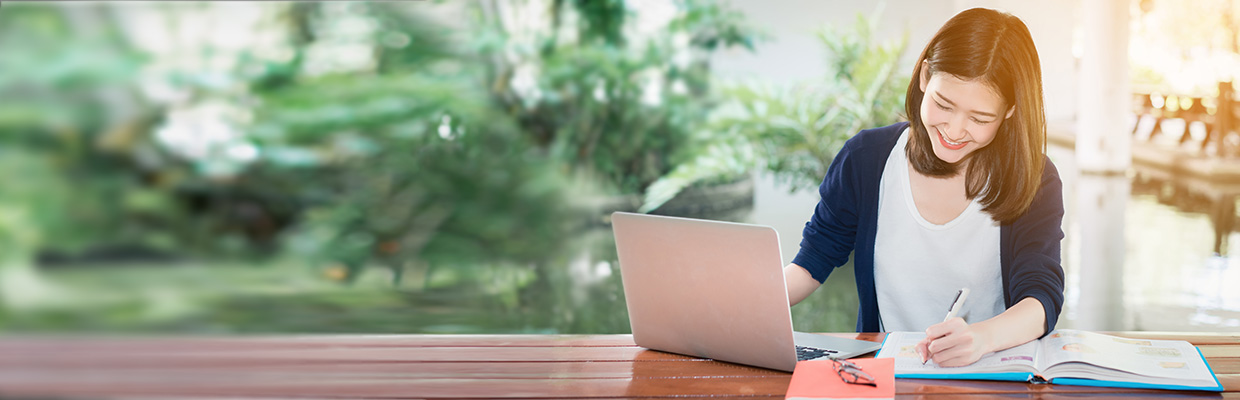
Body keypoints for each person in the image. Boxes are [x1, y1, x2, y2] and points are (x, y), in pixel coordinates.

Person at [783, 7, 1065, 368]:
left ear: (1010, 111)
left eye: (980, 118)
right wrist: (744, 303)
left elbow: (1041, 297)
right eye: (943, 104)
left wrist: (982, 337)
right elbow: (812, 262)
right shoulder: (867, 159)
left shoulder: (1034, 177)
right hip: (881, 375)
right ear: (925, 76)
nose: (954, 130)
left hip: (988, 376)